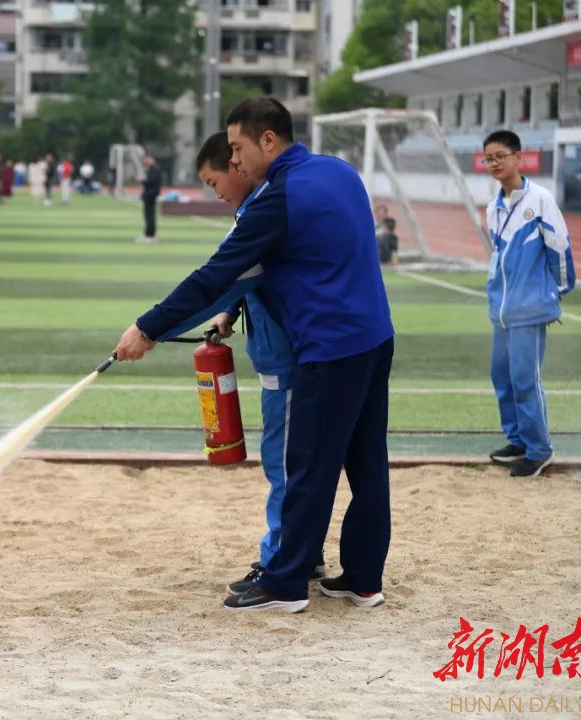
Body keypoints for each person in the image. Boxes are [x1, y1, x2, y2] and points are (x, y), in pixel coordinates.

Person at [114, 97, 393, 613]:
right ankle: (362, 578)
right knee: (367, 465)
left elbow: (214, 277)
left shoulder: (277, 197)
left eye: (239, 148)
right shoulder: (339, 171)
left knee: (306, 467)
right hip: (376, 338)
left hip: (328, 348)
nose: (234, 160)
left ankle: (286, 584)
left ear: (269, 140)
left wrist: (146, 328)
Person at [186, 132, 327, 593]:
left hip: (286, 364)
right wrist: (231, 311)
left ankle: (282, 562)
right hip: (276, 360)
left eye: (214, 181)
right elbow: (252, 279)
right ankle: (301, 554)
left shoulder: (265, 210)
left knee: (284, 466)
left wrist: (148, 331)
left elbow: (219, 278)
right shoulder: (254, 211)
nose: (217, 191)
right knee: (287, 462)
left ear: (236, 165)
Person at [482, 130, 576, 478]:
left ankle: (539, 449)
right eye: (488, 158)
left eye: (499, 156)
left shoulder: (540, 199)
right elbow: (498, 258)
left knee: (525, 379)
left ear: (518, 157)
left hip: (530, 309)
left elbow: (560, 248)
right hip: (502, 312)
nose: (493, 164)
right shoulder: (494, 208)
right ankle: (518, 440)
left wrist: (555, 294)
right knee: (502, 377)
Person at [138, 154, 161, 244]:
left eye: (145, 159)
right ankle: (148, 234)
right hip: (149, 194)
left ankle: (150, 235)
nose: (143, 161)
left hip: (151, 194)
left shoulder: (154, 168)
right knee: (148, 215)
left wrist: (142, 180)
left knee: (150, 215)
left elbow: (151, 181)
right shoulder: (151, 168)